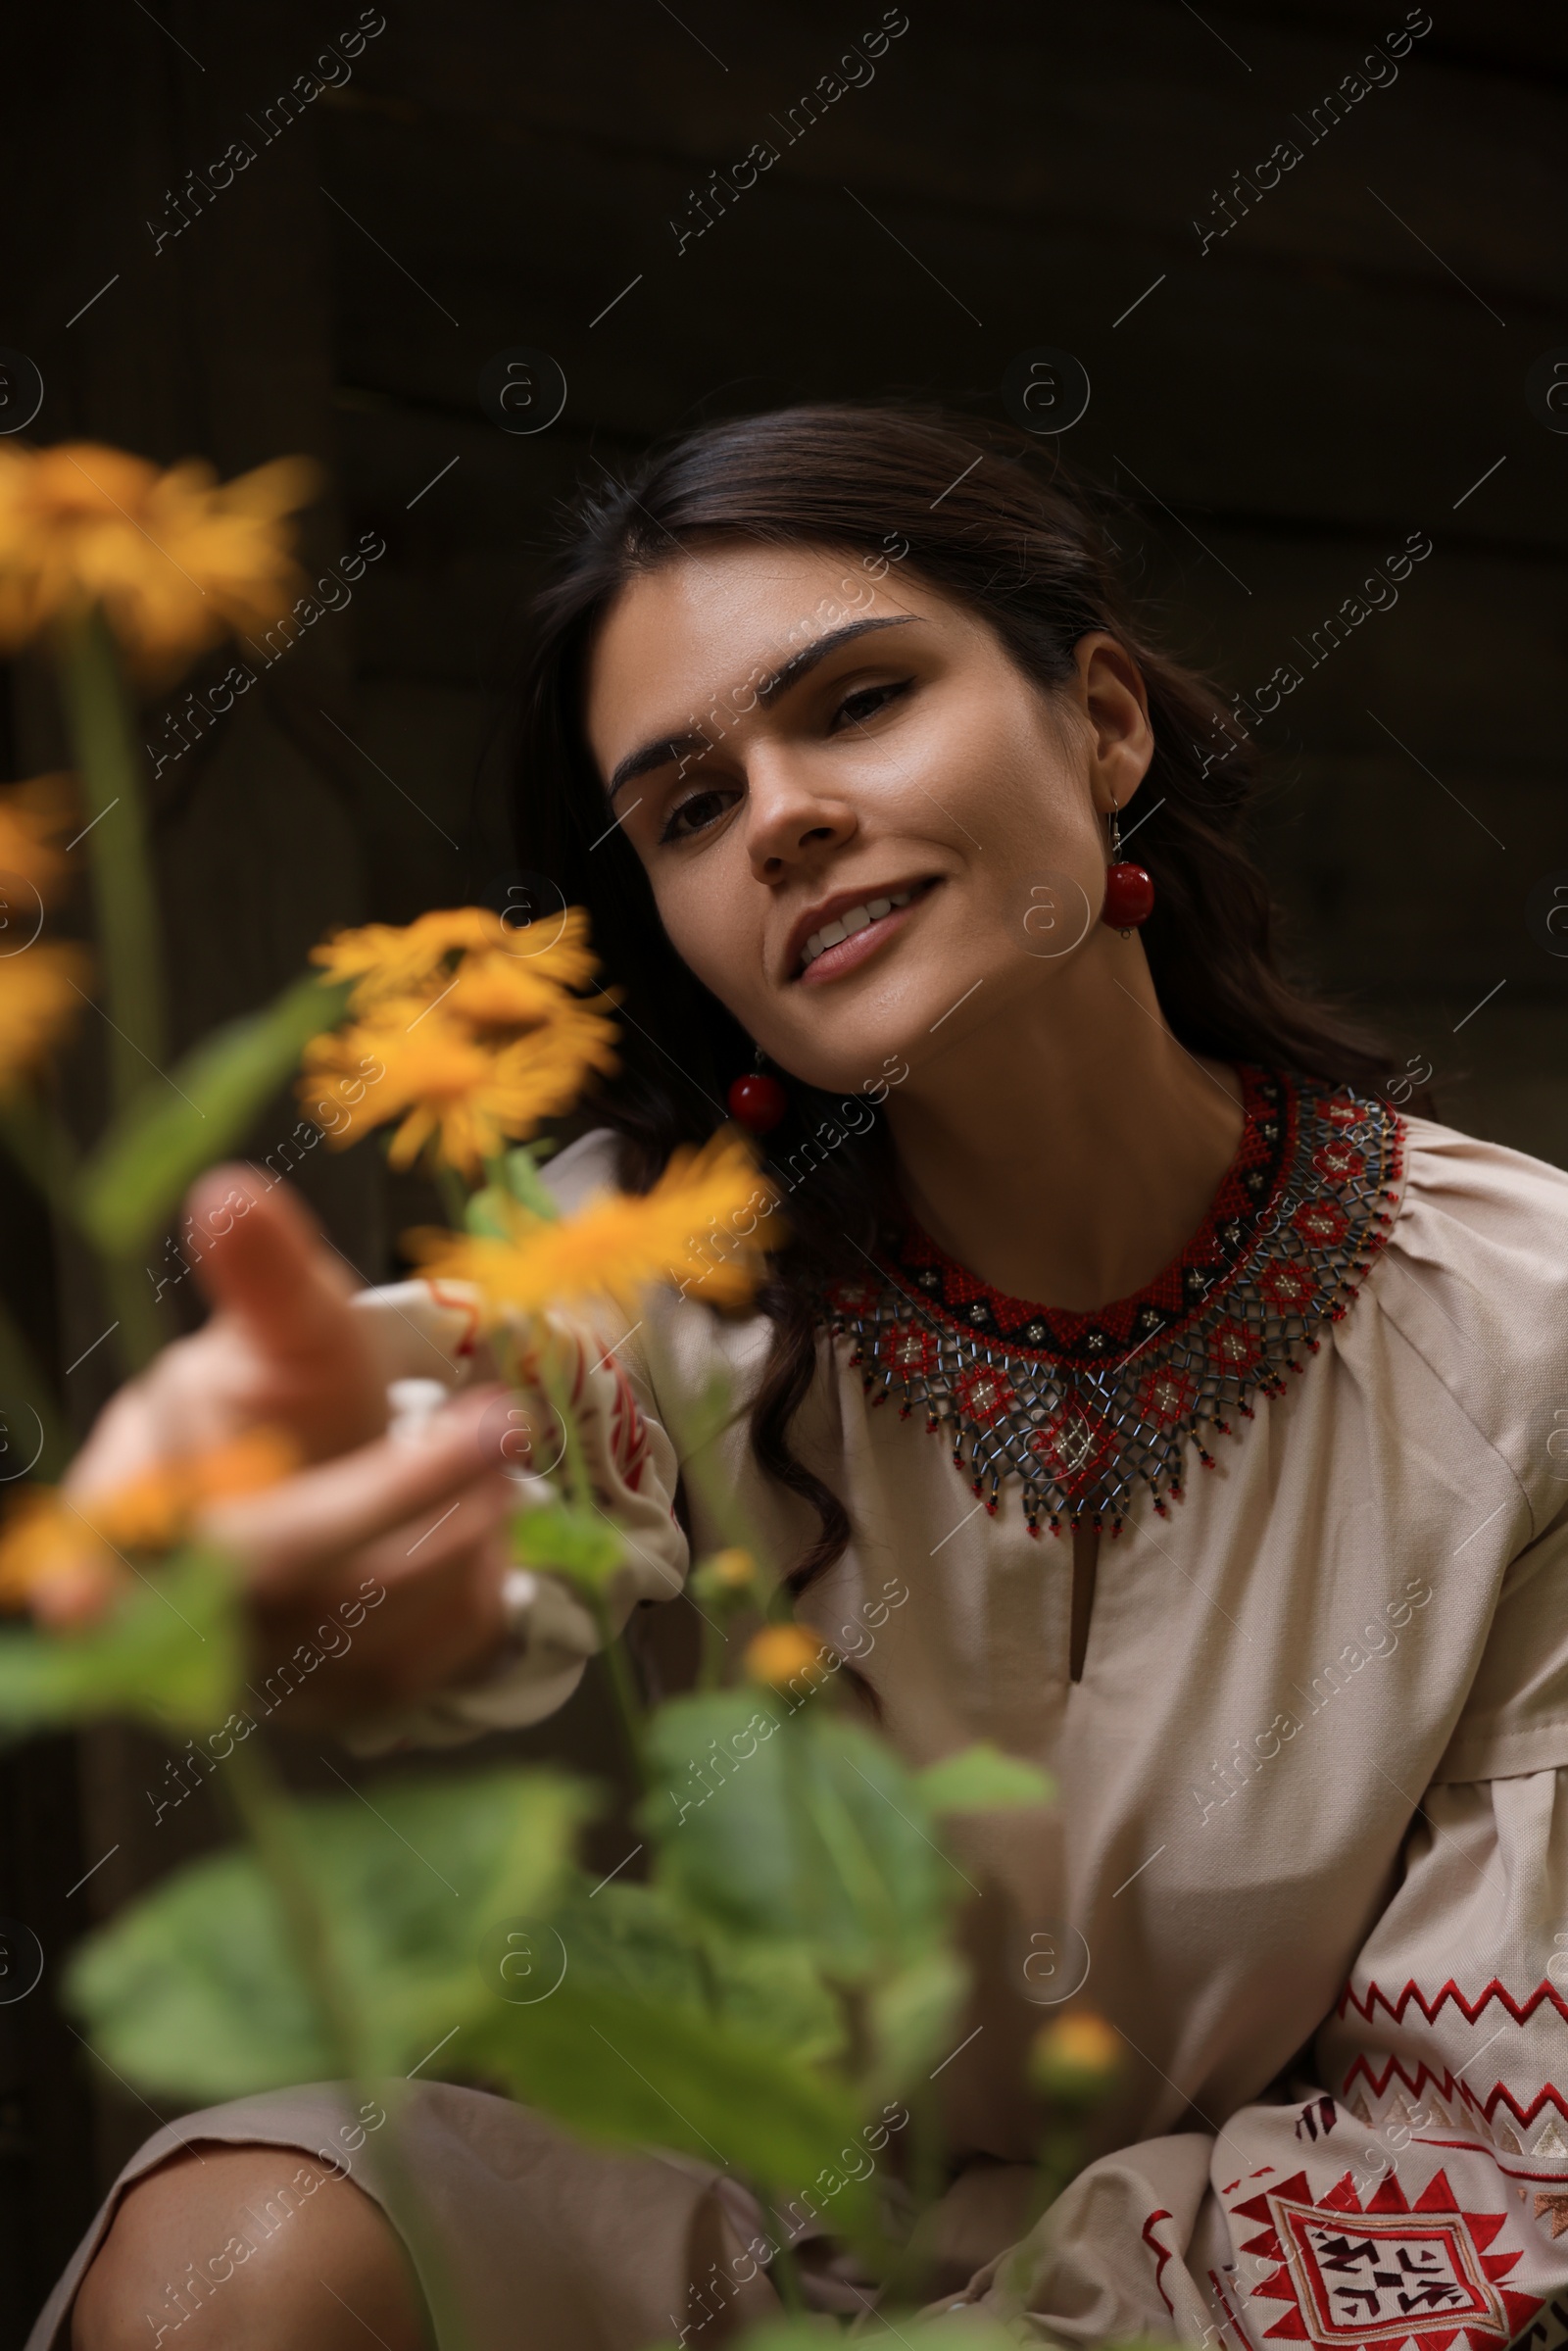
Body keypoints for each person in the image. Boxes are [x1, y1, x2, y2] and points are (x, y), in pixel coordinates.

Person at [32, 405, 1568, 2351]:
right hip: (745, 2237)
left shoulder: (1522, 1324)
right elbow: (494, 1418)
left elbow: (1479, 2161)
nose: (778, 815)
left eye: (853, 703)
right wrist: (345, 1555)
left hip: (1274, 2282)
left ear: (1101, 725)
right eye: (684, 809)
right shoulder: (650, 1269)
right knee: (234, 2261)